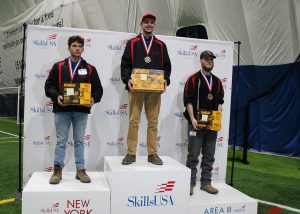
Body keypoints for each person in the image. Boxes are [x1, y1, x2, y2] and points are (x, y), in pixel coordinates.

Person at [45, 35, 103, 184]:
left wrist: (92, 99)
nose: (77, 48)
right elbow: (49, 86)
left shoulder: (90, 69)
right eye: (74, 45)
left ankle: (80, 170)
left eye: (80, 46)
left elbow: (98, 89)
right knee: (61, 141)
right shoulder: (58, 66)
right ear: (69, 47)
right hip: (62, 109)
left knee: (79, 141)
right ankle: (57, 170)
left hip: (81, 111)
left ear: (83, 49)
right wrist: (56, 96)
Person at [120, 13, 171, 165]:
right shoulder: (132, 43)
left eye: (152, 22)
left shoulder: (161, 45)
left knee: (153, 122)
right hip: (136, 88)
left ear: (154, 25)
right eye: (146, 22)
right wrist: (127, 79)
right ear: (141, 25)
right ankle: (131, 153)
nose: (149, 24)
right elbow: (125, 64)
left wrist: (165, 80)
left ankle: (152, 153)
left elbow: (167, 66)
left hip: (154, 89)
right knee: (134, 121)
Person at [183, 50, 224, 195]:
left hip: (211, 124)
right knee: (193, 155)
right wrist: (193, 118)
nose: (209, 61)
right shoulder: (193, 79)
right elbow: (188, 101)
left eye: (211, 59)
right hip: (196, 122)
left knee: (209, 155)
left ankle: (206, 183)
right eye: (206, 59)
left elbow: (219, 102)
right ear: (201, 61)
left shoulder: (218, 82)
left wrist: (218, 117)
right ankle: (190, 183)